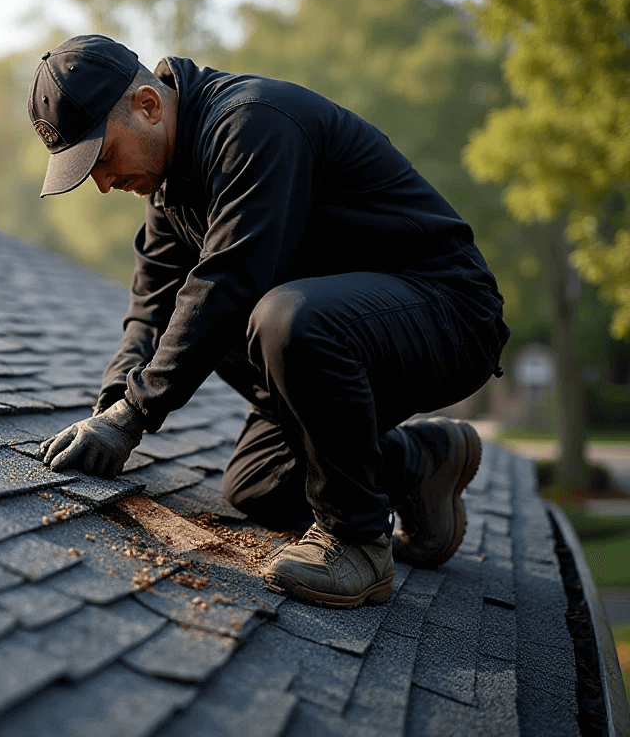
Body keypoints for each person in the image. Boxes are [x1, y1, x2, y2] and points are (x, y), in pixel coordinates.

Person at [29, 34, 509, 610]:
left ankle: (357, 543)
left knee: (279, 316)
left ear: (148, 106)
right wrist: (111, 409)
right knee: (259, 486)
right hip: (347, 335)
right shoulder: (168, 190)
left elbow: (229, 283)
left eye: (102, 159)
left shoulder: (253, 124)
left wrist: (136, 414)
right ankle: (417, 461)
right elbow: (152, 311)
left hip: (447, 312)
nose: (103, 184)